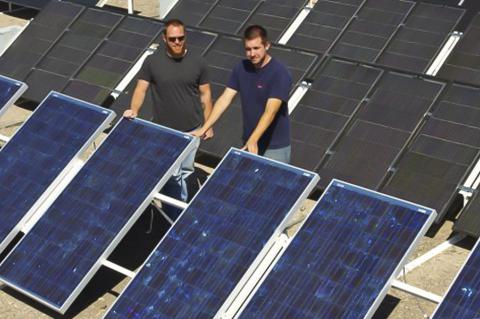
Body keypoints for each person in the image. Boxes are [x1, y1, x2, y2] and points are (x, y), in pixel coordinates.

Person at [123, 18, 213, 220]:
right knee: (171, 176)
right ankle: (174, 217)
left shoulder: (199, 63)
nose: (177, 42)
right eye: (173, 39)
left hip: (192, 130)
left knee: (187, 173)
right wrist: (133, 110)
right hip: (164, 132)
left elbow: (206, 95)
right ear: (164, 39)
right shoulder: (152, 62)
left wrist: (208, 124)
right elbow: (141, 89)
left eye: (181, 38)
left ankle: (180, 213)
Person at [192, 25, 292, 163]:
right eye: (248, 49)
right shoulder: (242, 68)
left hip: (274, 147)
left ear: (267, 45)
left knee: (269, 184)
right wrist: (205, 127)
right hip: (249, 141)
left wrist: (253, 139)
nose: (252, 54)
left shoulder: (279, 73)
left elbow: (270, 111)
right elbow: (225, 99)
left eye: (256, 48)